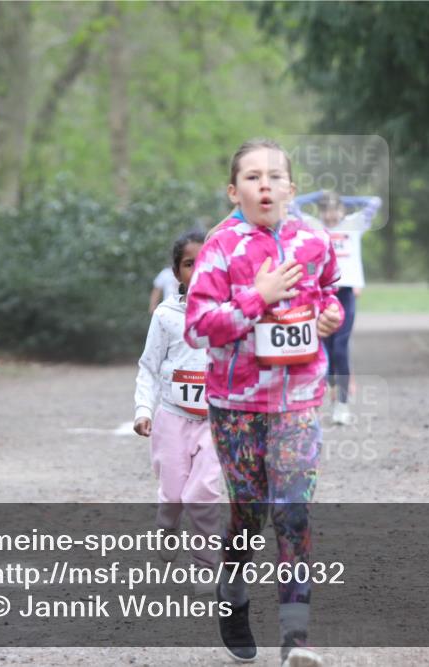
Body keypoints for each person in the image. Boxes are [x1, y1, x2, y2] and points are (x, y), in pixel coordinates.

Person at [184, 139, 342, 667]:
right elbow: (201, 325)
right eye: (252, 177)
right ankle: (232, 599)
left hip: (298, 400)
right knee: (248, 516)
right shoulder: (220, 248)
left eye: (275, 176)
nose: (265, 184)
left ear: (292, 189)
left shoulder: (316, 241)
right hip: (236, 405)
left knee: (293, 512)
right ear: (235, 191)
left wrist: (328, 319)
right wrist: (260, 295)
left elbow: (328, 295)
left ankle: (296, 640)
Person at [134, 230, 221, 594]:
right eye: (189, 264)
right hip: (171, 417)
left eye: (205, 263)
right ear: (176, 272)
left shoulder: (228, 314)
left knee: (202, 493)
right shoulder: (167, 316)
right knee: (172, 494)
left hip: (215, 421)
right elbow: (149, 366)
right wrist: (144, 409)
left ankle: (205, 566)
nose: (198, 270)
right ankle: (167, 527)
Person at [292, 190, 382, 425]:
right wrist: (318, 195)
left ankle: (342, 403)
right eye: (326, 209)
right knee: (325, 350)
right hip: (321, 293)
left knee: (341, 348)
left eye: (336, 209)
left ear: (343, 211)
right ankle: (328, 399)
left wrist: (342, 198)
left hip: (345, 293)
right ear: (320, 212)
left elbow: (374, 201)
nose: (331, 214)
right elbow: (291, 205)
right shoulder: (313, 226)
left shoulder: (353, 225)